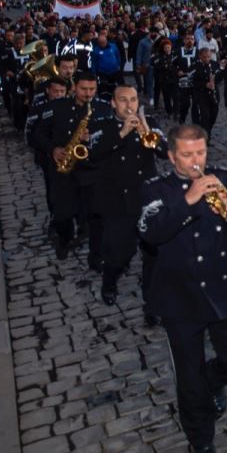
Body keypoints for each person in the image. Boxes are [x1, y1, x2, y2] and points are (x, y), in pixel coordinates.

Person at [138, 124, 227, 453]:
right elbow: (149, 233)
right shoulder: (156, 191)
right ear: (172, 156)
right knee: (188, 380)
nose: (195, 161)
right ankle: (200, 438)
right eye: (187, 155)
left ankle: (212, 381)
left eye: (200, 153)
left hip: (224, 287)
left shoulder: (225, 178)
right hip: (181, 296)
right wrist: (188, 200)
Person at [87, 85, 167, 305]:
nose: (129, 105)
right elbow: (93, 153)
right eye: (123, 100)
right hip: (118, 201)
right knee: (120, 254)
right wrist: (122, 133)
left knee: (154, 252)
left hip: (147, 198)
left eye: (133, 100)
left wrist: (146, 132)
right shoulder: (101, 125)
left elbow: (164, 151)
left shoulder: (149, 121)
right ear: (113, 103)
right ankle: (109, 282)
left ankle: (152, 302)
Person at [32, 71, 109, 263]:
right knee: (62, 213)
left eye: (92, 89)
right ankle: (64, 240)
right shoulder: (56, 106)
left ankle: (94, 250)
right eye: (84, 89)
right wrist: (53, 150)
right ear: (74, 87)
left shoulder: (102, 108)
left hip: (90, 168)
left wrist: (94, 137)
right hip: (63, 168)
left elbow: (111, 137)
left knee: (93, 213)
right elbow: (37, 134)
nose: (88, 93)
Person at [173, 34, 200, 123]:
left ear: (194, 41)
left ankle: (195, 122)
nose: (190, 41)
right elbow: (171, 64)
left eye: (192, 39)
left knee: (196, 103)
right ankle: (182, 118)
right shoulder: (178, 51)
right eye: (187, 39)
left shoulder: (198, 52)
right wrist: (177, 71)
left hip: (195, 81)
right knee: (185, 103)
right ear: (184, 40)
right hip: (183, 81)